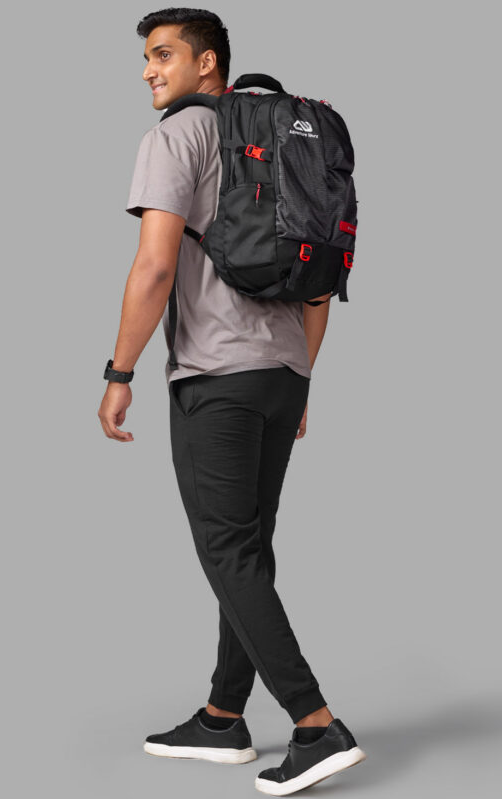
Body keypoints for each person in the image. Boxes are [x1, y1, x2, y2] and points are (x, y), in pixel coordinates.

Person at [97, 7, 366, 795]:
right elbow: (319, 279)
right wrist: (301, 374)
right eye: (147, 57)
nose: (149, 70)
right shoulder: (283, 140)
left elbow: (154, 267)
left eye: (163, 54)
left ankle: (315, 723)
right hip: (283, 374)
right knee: (250, 544)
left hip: (215, 375)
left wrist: (119, 371)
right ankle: (223, 715)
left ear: (207, 63)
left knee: (228, 550)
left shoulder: (178, 136)